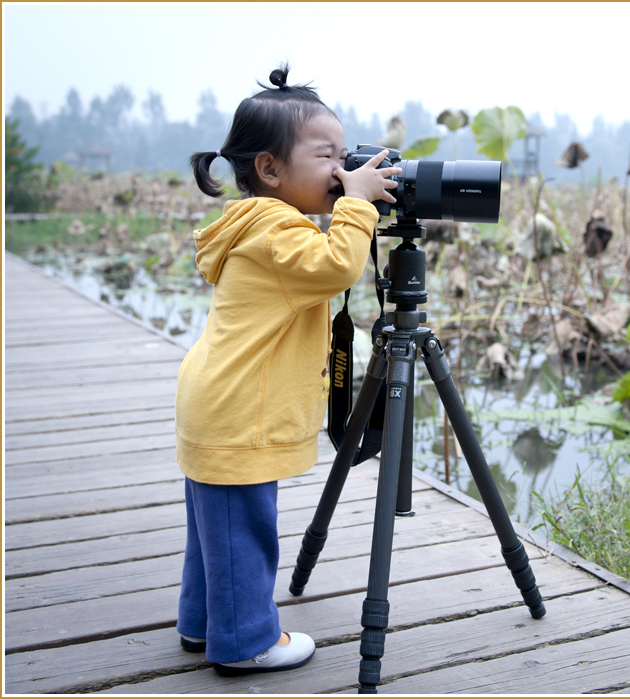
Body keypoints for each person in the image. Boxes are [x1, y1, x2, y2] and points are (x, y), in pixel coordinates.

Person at [174, 65, 400, 676]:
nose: (342, 169)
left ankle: (202, 624)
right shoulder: (279, 232)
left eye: (344, 156)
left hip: (221, 401)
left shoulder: (262, 224)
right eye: (326, 155)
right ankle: (246, 640)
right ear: (271, 170)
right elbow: (336, 269)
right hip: (238, 408)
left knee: (214, 530)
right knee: (244, 529)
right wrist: (355, 205)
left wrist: (342, 195)